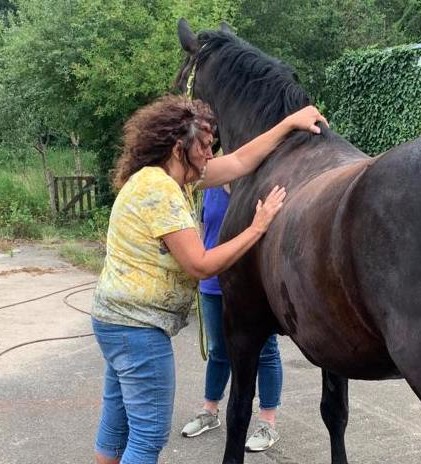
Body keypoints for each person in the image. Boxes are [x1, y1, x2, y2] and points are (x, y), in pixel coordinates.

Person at [90, 94, 327, 464]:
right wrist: (257, 228)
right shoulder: (161, 191)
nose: (210, 155)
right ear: (177, 147)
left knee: (117, 424)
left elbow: (239, 161)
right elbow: (199, 265)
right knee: (147, 435)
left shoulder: (167, 178)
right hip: (138, 329)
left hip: (114, 321)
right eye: (202, 146)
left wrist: (287, 123)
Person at [181, 184, 283, 452]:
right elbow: (205, 231)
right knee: (218, 349)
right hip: (213, 283)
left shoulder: (259, 183)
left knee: (265, 351)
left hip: (250, 285)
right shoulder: (210, 186)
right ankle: (210, 410)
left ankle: (267, 422)